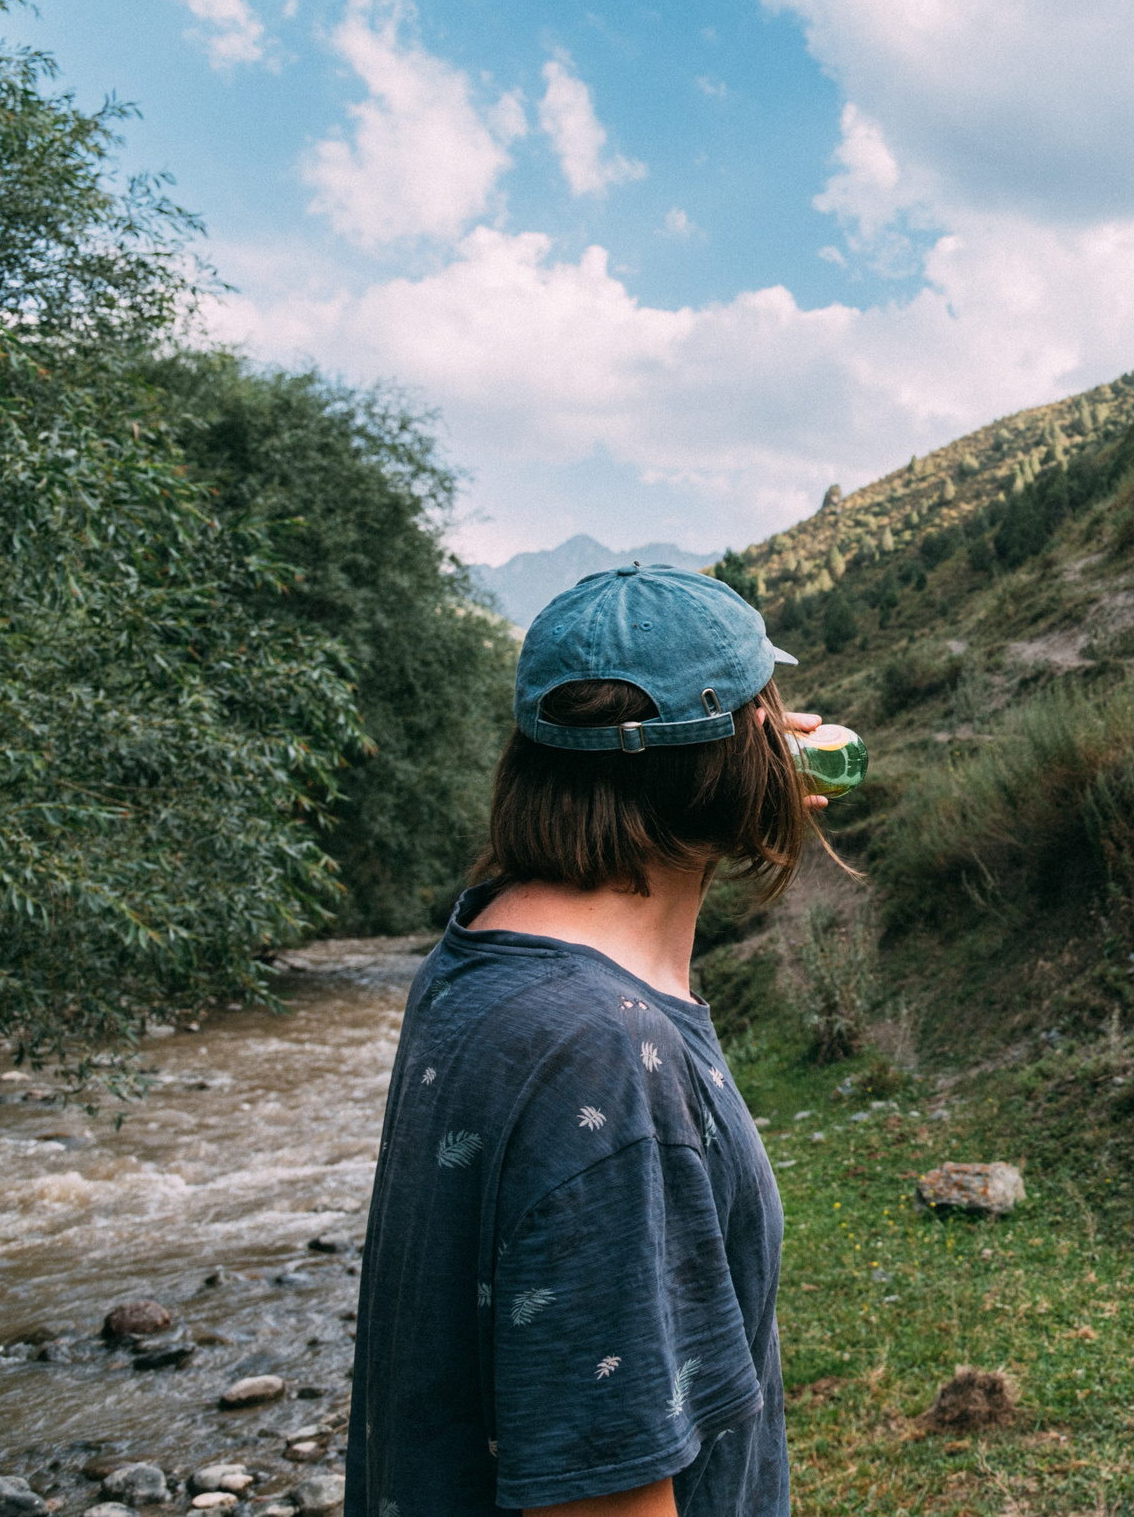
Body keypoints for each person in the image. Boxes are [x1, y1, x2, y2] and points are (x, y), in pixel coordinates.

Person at [348, 563, 825, 1517]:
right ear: (737, 749)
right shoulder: (602, 1051)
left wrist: (735, 783)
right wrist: (737, 781)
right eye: (770, 709)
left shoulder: (481, 949)